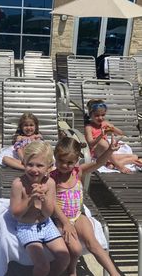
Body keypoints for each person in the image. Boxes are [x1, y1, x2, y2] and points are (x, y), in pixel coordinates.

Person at [51, 136, 120, 276]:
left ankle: (115, 274)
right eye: (61, 161)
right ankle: (72, 269)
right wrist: (65, 223)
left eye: (70, 162)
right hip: (60, 218)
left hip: (77, 215)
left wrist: (109, 151)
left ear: (77, 160)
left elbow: (98, 163)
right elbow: (51, 203)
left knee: (93, 243)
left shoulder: (78, 171)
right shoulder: (52, 177)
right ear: (55, 158)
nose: (65, 165)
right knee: (75, 249)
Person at [10, 141, 70, 276]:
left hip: (46, 225)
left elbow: (48, 213)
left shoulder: (50, 183)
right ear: (23, 164)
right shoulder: (18, 184)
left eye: (39, 165)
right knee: (42, 266)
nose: (34, 169)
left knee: (64, 257)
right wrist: (30, 198)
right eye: (30, 164)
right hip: (27, 227)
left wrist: (43, 199)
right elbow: (15, 214)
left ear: (49, 167)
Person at [84, 99, 142, 173]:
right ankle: (119, 165)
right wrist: (101, 135)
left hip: (108, 154)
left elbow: (121, 134)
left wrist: (112, 128)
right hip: (96, 154)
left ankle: (111, 164)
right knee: (103, 142)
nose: (100, 118)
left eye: (103, 115)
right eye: (97, 115)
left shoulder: (105, 124)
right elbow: (91, 143)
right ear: (90, 115)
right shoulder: (89, 127)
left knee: (135, 157)